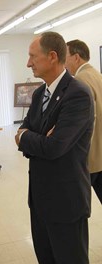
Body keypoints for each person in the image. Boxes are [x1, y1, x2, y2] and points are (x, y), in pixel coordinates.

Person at [15, 32, 94, 264]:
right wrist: (30, 136)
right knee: (46, 252)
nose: (28, 63)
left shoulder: (78, 94)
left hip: (66, 197)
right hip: (39, 194)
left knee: (72, 263)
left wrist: (28, 138)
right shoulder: (40, 93)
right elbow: (26, 130)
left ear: (52, 57)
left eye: (32, 57)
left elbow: (55, 146)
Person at [66, 39, 102, 204]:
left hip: (92, 158)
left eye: (65, 56)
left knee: (78, 205)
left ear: (76, 57)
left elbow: (86, 123)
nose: (63, 62)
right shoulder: (97, 74)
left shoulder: (80, 80)